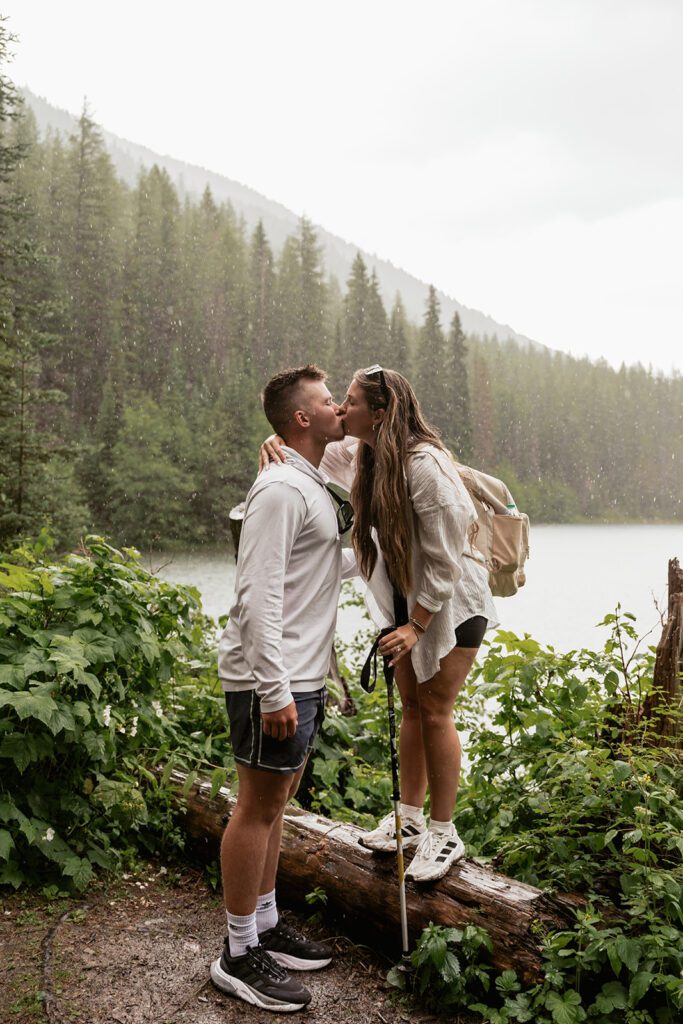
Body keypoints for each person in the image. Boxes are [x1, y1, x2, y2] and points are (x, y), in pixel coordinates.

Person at [260, 365, 498, 882]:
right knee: (412, 704)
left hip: (452, 603)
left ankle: (443, 832)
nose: (341, 410)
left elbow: (446, 559)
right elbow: (309, 444)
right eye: (338, 401)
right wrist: (275, 440)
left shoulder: (426, 466)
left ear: (382, 413)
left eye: (350, 402)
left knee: (436, 709)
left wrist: (417, 624)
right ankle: (408, 821)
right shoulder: (362, 453)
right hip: (408, 606)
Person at [212, 364, 355, 1013]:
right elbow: (256, 594)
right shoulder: (278, 490)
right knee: (256, 807)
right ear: (302, 418)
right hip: (272, 678)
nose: (336, 409)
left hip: (301, 672)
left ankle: (264, 924)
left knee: (277, 801)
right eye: (328, 401)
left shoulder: (309, 483)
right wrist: (271, 691)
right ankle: (238, 953)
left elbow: (318, 566)